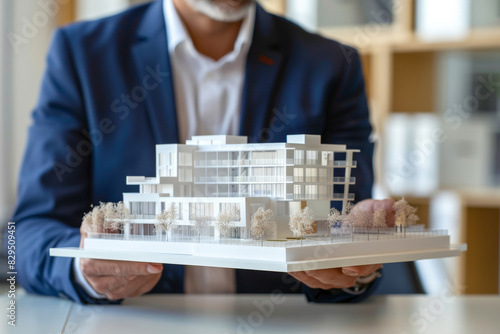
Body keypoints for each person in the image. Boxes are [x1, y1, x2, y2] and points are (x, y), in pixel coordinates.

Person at [10, 0, 418, 304]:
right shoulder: (83, 55)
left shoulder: (331, 65)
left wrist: (355, 265)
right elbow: (22, 236)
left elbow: (348, 232)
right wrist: (84, 270)